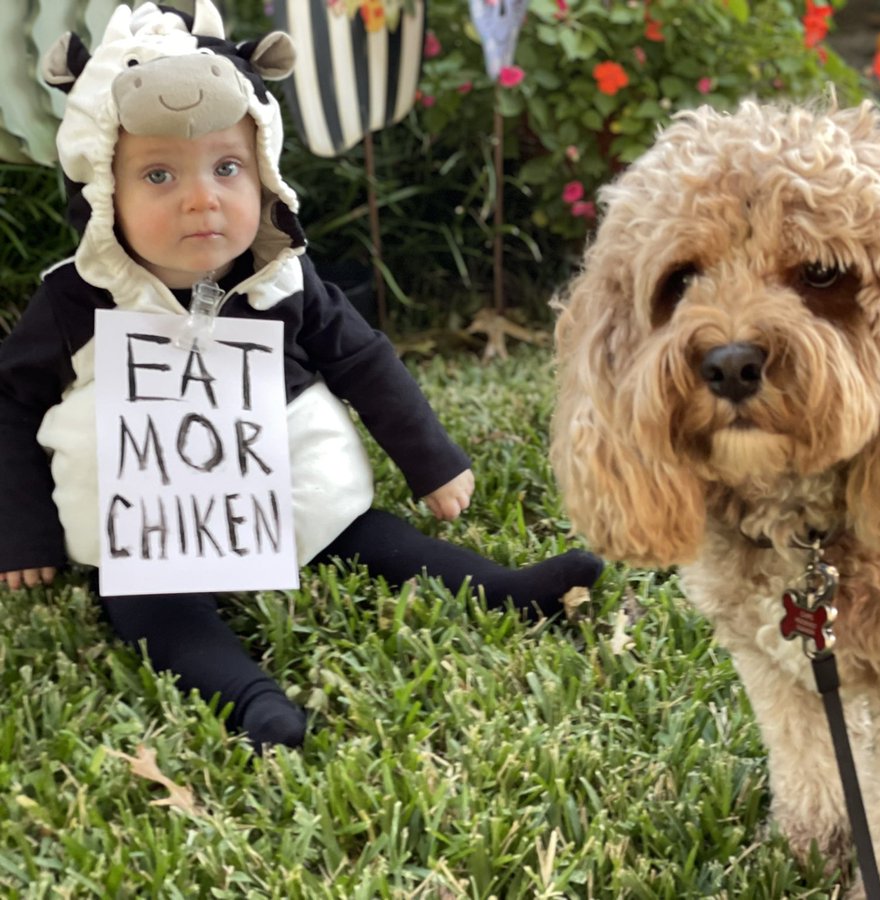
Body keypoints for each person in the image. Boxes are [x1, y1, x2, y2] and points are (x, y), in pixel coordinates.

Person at [0, 1, 601, 751]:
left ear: (267, 174)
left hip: (288, 491)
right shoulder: (72, 299)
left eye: (228, 168)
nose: (201, 197)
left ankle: (501, 587)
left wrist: (432, 461)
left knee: (369, 536)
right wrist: (23, 534)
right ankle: (254, 702)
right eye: (158, 174)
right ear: (100, 192)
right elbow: (14, 402)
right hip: (146, 520)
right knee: (150, 606)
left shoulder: (283, 278)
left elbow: (362, 358)